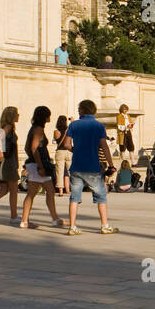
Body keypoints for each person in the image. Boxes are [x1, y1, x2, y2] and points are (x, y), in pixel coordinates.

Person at [63, 99, 118, 234]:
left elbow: (66, 144)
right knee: (101, 196)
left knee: (74, 197)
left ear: (81, 110)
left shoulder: (73, 125)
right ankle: (104, 225)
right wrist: (111, 165)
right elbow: (104, 147)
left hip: (76, 166)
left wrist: (75, 150)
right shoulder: (99, 126)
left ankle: (72, 227)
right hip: (93, 167)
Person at [20, 106, 64, 229]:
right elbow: (34, 148)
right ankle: (24, 221)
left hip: (35, 164)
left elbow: (27, 148)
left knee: (47, 191)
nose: (50, 117)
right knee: (34, 193)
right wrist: (39, 166)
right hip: (38, 166)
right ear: (44, 117)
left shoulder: (35, 128)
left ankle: (54, 218)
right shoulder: (38, 129)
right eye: (48, 115)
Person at [53, 115, 70, 195]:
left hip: (60, 151)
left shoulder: (56, 131)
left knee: (59, 172)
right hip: (68, 151)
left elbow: (56, 140)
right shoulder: (68, 130)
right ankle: (68, 189)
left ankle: (60, 191)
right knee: (70, 171)